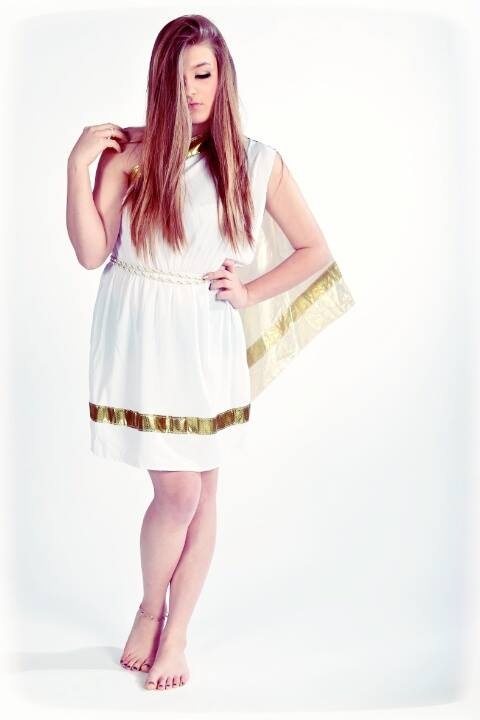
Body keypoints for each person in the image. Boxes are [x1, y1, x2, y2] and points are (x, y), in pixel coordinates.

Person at [66, 14, 354, 692]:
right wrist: (77, 166)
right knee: (178, 490)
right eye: (177, 78)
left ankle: (176, 633)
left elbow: (315, 249)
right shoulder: (133, 153)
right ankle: (149, 609)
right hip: (142, 331)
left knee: (202, 490)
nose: (192, 90)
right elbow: (89, 251)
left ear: (222, 75)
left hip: (205, 333)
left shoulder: (257, 161)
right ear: (157, 84)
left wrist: (250, 290)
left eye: (202, 73)